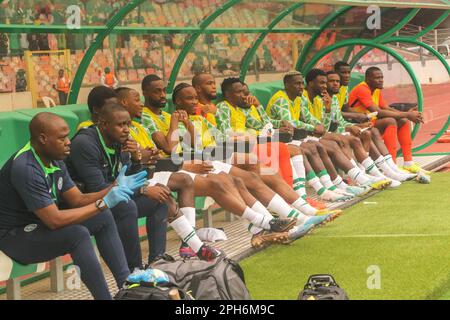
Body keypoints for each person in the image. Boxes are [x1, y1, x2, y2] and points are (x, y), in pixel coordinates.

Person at [141, 75, 321, 246]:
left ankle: (291, 216)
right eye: (158, 91)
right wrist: (181, 126)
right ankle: (273, 222)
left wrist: (190, 125)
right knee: (242, 172)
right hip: (182, 165)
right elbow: (173, 149)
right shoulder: (151, 118)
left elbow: (211, 139)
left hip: (206, 156)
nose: (163, 95)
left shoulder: (177, 117)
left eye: (164, 90)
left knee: (252, 172)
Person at [0, 112, 146, 300]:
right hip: (15, 237)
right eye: (62, 138)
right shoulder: (26, 168)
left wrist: (114, 188)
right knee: (77, 235)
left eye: (67, 136)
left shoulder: (54, 158)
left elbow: (77, 199)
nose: (68, 142)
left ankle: (127, 288)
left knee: (102, 217)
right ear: (43, 139)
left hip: (40, 226)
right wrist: (103, 203)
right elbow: (54, 221)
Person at [66, 103, 221, 263]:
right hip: (87, 203)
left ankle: (158, 259)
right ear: (104, 124)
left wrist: (136, 158)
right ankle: (136, 268)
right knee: (128, 206)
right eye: (121, 125)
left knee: (160, 197)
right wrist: (143, 190)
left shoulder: (121, 140)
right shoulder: (85, 143)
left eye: (128, 124)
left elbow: (135, 176)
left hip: (113, 194)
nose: (126, 129)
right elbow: (98, 188)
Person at [349, 67, 427, 174]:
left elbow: (385, 107)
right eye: (377, 78)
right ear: (368, 80)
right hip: (358, 124)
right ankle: (392, 164)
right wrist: (408, 114)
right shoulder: (362, 89)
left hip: (370, 122)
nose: (381, 80)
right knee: (390, 121)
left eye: (381, 77)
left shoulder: (375, 89)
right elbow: (378, 112)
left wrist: (406, 115)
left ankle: (408, 162)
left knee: (403, 120)